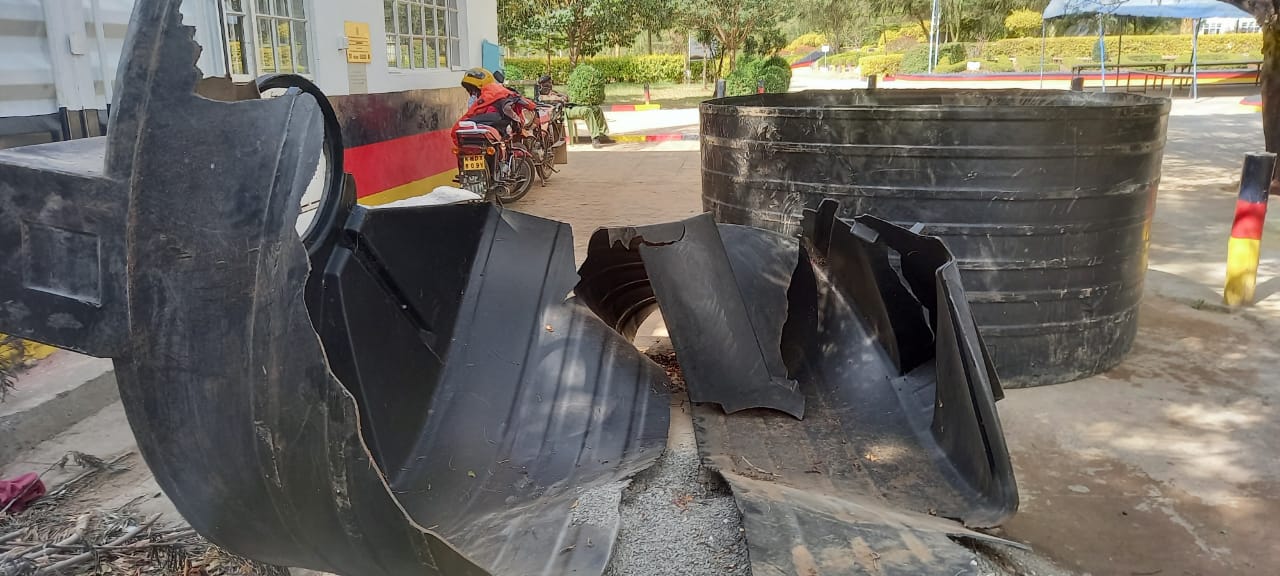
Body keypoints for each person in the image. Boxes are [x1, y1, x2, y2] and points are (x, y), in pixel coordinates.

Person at [453, 67, 533, 143]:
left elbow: (472, 112)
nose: (474, 94)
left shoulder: (489, 93)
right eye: (472, 91)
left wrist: (458, 127)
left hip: (497, 121)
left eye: (475, 90)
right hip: (497, 122)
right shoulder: (496, 91)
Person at [535, 75, 614, 149]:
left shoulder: (552, 92)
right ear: (542, 85)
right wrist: (558, 98)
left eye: (550, 82)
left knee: (596, 109)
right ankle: (595, 138)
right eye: (548, 83)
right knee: (587, 111)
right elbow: (545, 100)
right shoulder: (540, 95)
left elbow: (565, 97)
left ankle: (602, 134)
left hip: (570, 106)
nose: (550, 85)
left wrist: (562, 96)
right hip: (564, 110)